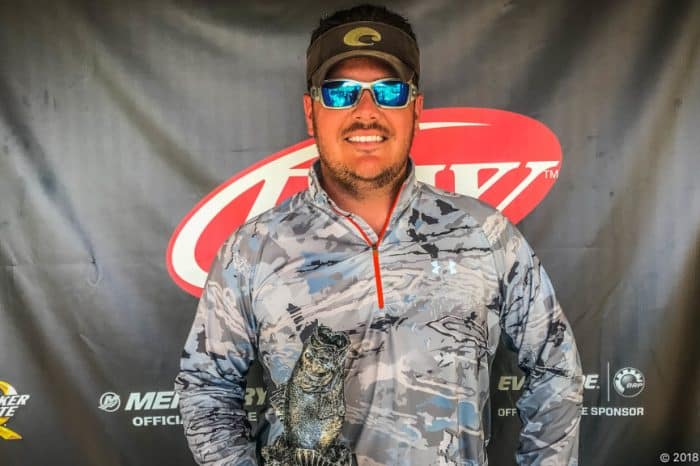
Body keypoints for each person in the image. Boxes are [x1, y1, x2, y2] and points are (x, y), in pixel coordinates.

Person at [175, 4, 584, 465]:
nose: (366, 112)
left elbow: (555, 368)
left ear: (416, 109)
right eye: (341, 92)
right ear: (311, 112)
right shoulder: (253, 250)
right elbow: (205, 388)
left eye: (389, 91)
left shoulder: (486, 233)